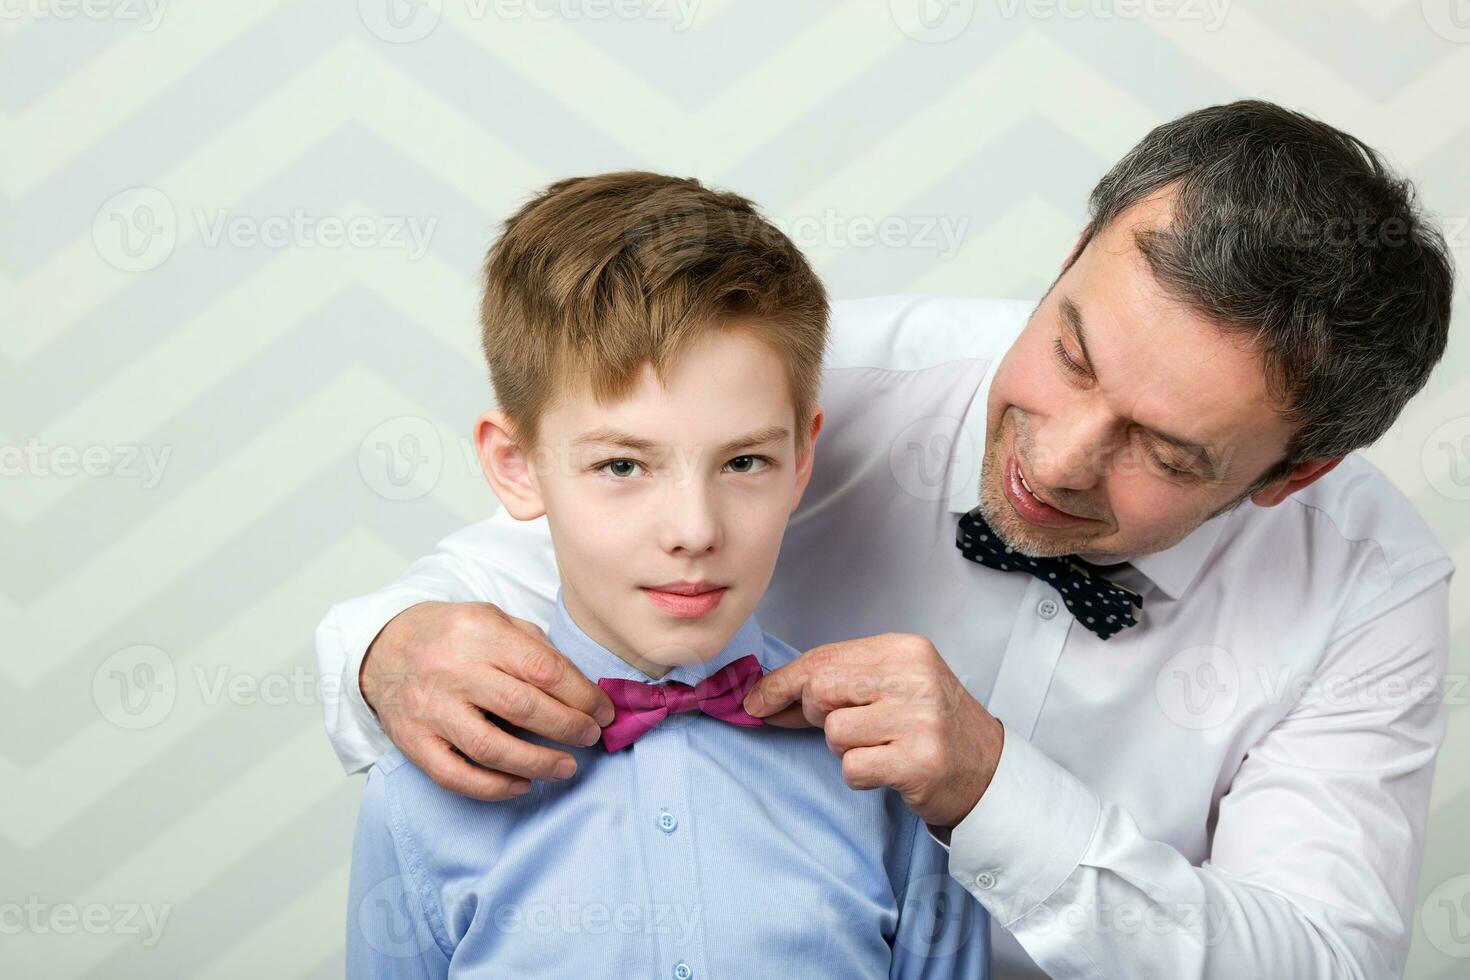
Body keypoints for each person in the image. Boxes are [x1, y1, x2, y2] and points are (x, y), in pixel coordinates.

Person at [318, 100, 1456, 978]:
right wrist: (387, 647)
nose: (1056, 460)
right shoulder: (815, 393)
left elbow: (1321, 960)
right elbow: (515, 559)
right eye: (1071, 352)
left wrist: (995, 787)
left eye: (1164, 449)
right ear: (1071, 255)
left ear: (1293, 471)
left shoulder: (1366, 585)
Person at [343, 171, 990, 977]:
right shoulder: (423, 794)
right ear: (516, 466)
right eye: (622, 465)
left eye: (745, 460)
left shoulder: (890, 779)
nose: (694, 531)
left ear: (801, 461)